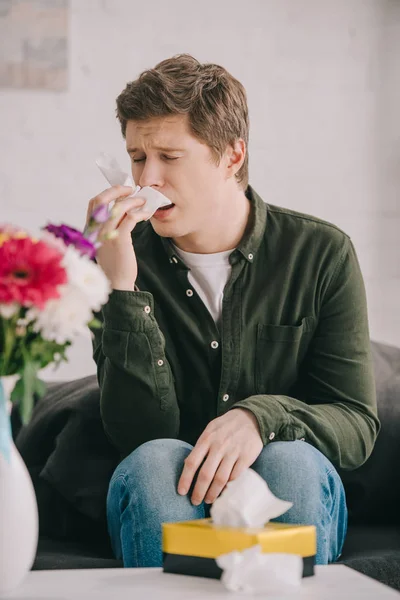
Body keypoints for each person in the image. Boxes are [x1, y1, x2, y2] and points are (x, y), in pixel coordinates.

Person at [86, 54, 379, 569]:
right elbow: (137, 435)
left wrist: (260, 417)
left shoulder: (321, 254)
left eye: (169, 157)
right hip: (168, 486)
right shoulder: (119, 257)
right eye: (136, 157)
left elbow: (355, 424)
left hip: (286, 480)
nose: (146, 180)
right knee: (156, 462)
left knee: (290, 462)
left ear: (232, 156)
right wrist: (121, 289)